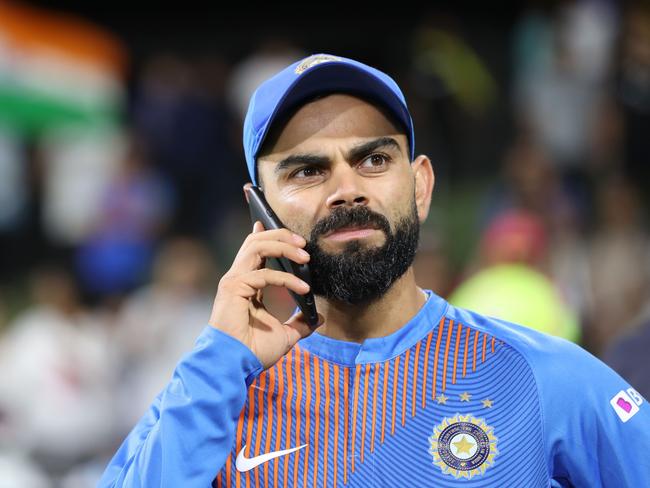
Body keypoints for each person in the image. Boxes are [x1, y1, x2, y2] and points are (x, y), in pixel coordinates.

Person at [99, 53, 650, 487]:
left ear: (420, 186)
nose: (346, 190)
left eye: (374, 160)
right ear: (258, 211)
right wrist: (217, 365)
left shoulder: (543, 378)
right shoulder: (211, 399)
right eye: (308, 170)